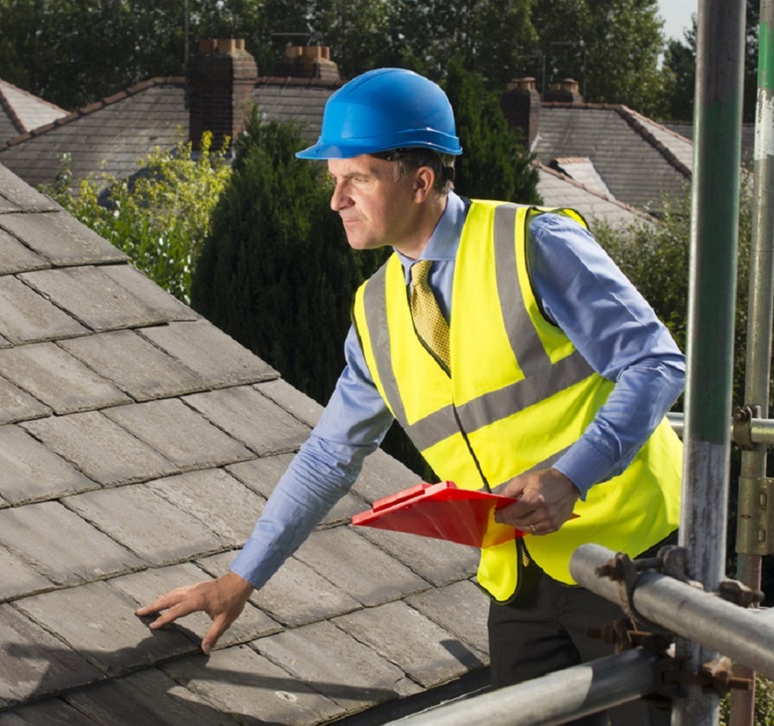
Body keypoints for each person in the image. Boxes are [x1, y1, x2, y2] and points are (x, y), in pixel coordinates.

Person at [137, 68, 683, 725]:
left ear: (419, 181)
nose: (336, 199)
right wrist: (238, 580)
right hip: (517, 582)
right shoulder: (374, 315)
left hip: (625, 561)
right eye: (332, 180)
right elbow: (326, 459)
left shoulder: (533, 245)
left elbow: (656, 363)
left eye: (355, 179)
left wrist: (572, 475)